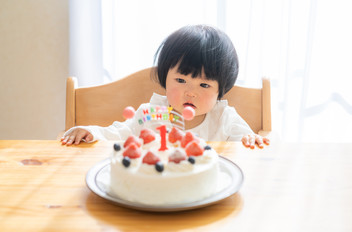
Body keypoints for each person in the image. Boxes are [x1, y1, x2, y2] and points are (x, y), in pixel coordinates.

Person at [61, 25, 270, 148]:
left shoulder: (224, 118)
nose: (190, 92)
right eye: (181, 80)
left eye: (204, 84)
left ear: (220, 90)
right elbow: (118, 133)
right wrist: (90, 132)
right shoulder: (150, 113)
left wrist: (250, 140)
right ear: (164, 79)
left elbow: (246, 145)